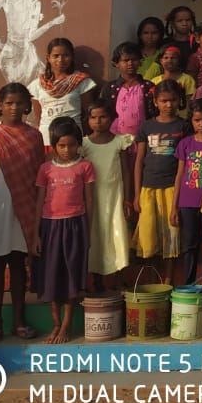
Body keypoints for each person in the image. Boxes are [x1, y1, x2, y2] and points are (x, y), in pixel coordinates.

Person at [0, 83, 44, 343]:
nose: (14, 108)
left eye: (19, 103)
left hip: (24, 208)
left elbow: (38, 175)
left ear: (27, 106)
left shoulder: (34, 136)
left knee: (18, 265)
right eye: (9, 103)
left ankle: (19, 321)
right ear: (0, 105)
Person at [33, 117, 94, 344]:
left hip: (75, 224)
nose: (66, 150)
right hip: (50, 225)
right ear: (54, 145)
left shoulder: (85, 167)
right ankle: (56, 323)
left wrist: (88, 229)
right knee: (51, 275)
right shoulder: (46, 169)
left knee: (70, 275)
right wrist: (35, 233)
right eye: (61, 145)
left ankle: (67, 324)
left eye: (71, 145)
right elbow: (40, 201)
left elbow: (89, 201)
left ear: (78, 144)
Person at [133, 79, 188, 285]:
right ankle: (151, 281)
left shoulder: (184, 126)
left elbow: (185, 162)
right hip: (148, 188)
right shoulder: (147, 126)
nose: (168, 105)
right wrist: (136, 194)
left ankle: (167, 281)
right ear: (155, 101)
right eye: (164, 101)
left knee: (171, 236)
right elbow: (139, 160)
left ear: (179, 100)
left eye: (173, 100)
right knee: (148, 235)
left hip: (172, 188)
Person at [81, 99, 133, 291]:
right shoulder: (84, 144)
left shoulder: (120, 141)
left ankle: (119, 278)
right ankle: (96, 280)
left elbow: (126, 172)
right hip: (93, 198)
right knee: (96, 235)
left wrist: (127, 199)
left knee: (117, 233)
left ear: (112, 118)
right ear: (88, 120)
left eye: (103, 117)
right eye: (93, 117)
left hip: (115, 197)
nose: (98, 121)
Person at [171, 98, 202, 286]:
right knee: (189, 246)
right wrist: (174, 206)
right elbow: (179, 175)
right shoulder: (185, 144)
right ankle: (188, 286)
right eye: (197, 120)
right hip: (187, 202)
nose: (201, 124)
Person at [28, 37, 96, 146]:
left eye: (66, 55)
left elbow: (89, 113)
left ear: (72, 57)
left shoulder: (81, 81)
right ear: (48, 58)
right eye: (56, 56)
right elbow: (39, 116)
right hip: (46, 139)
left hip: (72, 139)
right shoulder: (37, 85)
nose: (61, 60)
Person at [101, 42, 156, 139]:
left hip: (143, 138)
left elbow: (155, 113)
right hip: (115, 139)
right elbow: (103, 112)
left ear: (140, 61)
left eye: (134, 59)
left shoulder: (148, 86)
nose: (130, 63)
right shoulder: (110, 88)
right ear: (116, 64)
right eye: (125, 60)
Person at [150, 43, 197, 117]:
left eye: (173, 58)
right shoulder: (154, 81)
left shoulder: (187, 79)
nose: (169, 60)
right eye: (166, 58)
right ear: (160, 60)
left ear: (178, 60)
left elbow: (191, 103)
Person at [136, 17, 166, 81]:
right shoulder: (134, 54)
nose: (150, 36)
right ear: (140, 35)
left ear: (160, 34)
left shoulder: (164, 54)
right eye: (146, 33)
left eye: (154, 33)